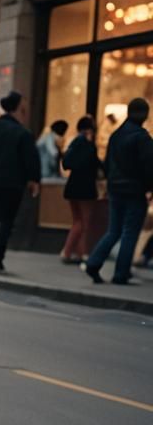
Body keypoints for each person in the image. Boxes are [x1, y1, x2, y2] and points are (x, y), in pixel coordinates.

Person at [85, 97, 153, 285]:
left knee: (113, 230)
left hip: (115, 189)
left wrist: (110, 183)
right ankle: (121, 273)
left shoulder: (116, 136)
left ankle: (94, 262)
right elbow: (149, 167)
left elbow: (107, 164)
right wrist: (149, 188)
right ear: (145, 115)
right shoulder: (142, 138)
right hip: (135, 190)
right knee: (130, 232)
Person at [0, 91, 41, 274]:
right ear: (19, 107)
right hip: (14, 183)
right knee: (7, 221)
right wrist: (33, 180)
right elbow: (30, 159)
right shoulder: (23, 132)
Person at [59, 116, 100, 264]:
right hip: (85, 188)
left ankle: (78, 253)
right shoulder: (89, 147)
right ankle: (69, 251)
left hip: (72, 186)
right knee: (83, 223)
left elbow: (66, 163)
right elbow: (97, 166)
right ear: (90, 130)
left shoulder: (74, 144)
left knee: (77, 220)